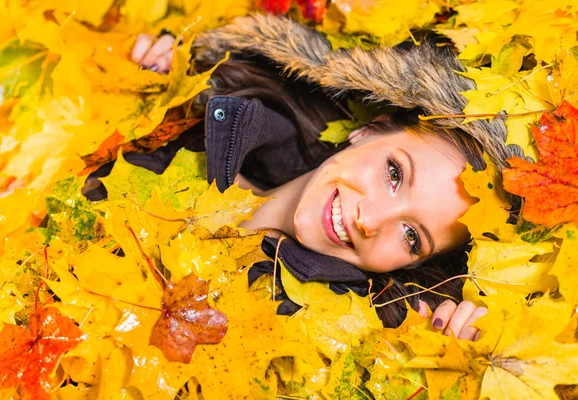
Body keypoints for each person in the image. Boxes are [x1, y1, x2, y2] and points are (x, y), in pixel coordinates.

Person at [91, 14, 521, 339]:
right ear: (369, 130)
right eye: (394, 174)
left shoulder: (341, 336)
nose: (369, 221)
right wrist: (137, 80)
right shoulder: (205, 114)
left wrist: (458, 361)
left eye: (412, 236)